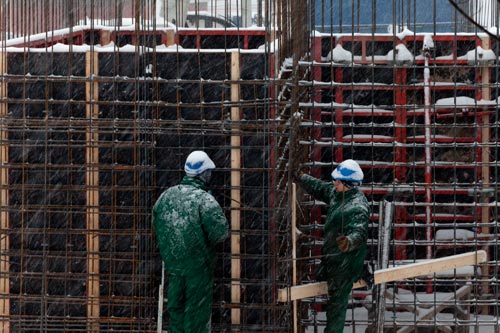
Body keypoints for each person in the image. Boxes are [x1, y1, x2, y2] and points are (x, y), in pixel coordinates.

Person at [152, 150, 229, 333]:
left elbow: (156, 225)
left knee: (176, 314)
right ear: (204, 174)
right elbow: (221, 233)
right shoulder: (205, 201)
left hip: (174, 269)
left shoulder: (165, 197)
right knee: (196, 317)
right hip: (198, 271)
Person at [297, 159, 370, 333]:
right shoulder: (337, 194)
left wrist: (349, 242)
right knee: (324, 282)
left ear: (348, 184)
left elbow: (359, 232)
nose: (334, 182)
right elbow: (320, 188)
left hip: (345, 264)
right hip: (333, 258)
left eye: (337, 180)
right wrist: (302, 177)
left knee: (336, 306)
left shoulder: (357, 207)